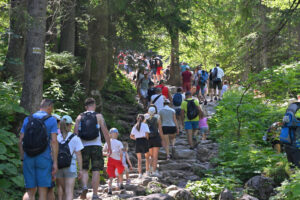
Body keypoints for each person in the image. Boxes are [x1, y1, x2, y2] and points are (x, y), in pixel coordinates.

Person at [19, 99, 58, 200]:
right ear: (49, 107)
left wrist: (23, 158)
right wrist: (55, 162)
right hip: (44, 158)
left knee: (30, 191)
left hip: (28, 157)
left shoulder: (28, 119)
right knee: (42, 192)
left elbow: (21, 140)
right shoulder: (51, 120)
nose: (52, 110)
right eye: (52, 108)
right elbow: (54, 141)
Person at [74, 98, 112, 200]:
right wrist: (109, 146)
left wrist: (74, 148)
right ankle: (95, 195)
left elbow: (75, 133)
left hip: (83, 146)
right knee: (96, 170)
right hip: (96, 145)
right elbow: (105, 132)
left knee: (84, 169)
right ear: (94, 105)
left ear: (85, 107)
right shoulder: (98, 116)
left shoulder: (79, 117)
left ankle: (85, 187)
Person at [56, 115, 83, 200]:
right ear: (70, 125)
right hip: (70, 166)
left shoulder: (56, 137)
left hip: (59, 166)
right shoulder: (75, 138)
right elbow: (79, 155)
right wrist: (81, 170)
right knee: (69, 191)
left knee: (63, 190)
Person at [103, 128, 124, 195]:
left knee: (110, 176)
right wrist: (121, 160)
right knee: (120, 172)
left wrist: (107, 154)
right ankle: (121, 184)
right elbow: (121, 153)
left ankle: (109, 188)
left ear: (109, 134)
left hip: (110, 160)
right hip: (118, 160)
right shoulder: (119, 142)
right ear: (117, 134)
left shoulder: (107, 142)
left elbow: (103, 152)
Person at [145, 106, 164, 176]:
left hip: (148, 138)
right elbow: (160, 129)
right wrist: (162, 139)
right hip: (156, 137)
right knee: (155, 156)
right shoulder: (158, 117)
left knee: (149, 155)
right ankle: (154, 171)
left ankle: (147, 171)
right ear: (155, 111)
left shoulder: (145, 117)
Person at [130, 114, 150, 178]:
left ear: (137, 119)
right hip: (144, 140)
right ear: (144, 119)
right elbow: (147, 133)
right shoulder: (145, 125)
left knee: (139, 159)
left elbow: (131, 136)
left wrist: (136, 138)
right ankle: (147, 172)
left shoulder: (135, 126)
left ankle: (140, 174)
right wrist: (146, 139)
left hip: (138, 142)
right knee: (147, 158)